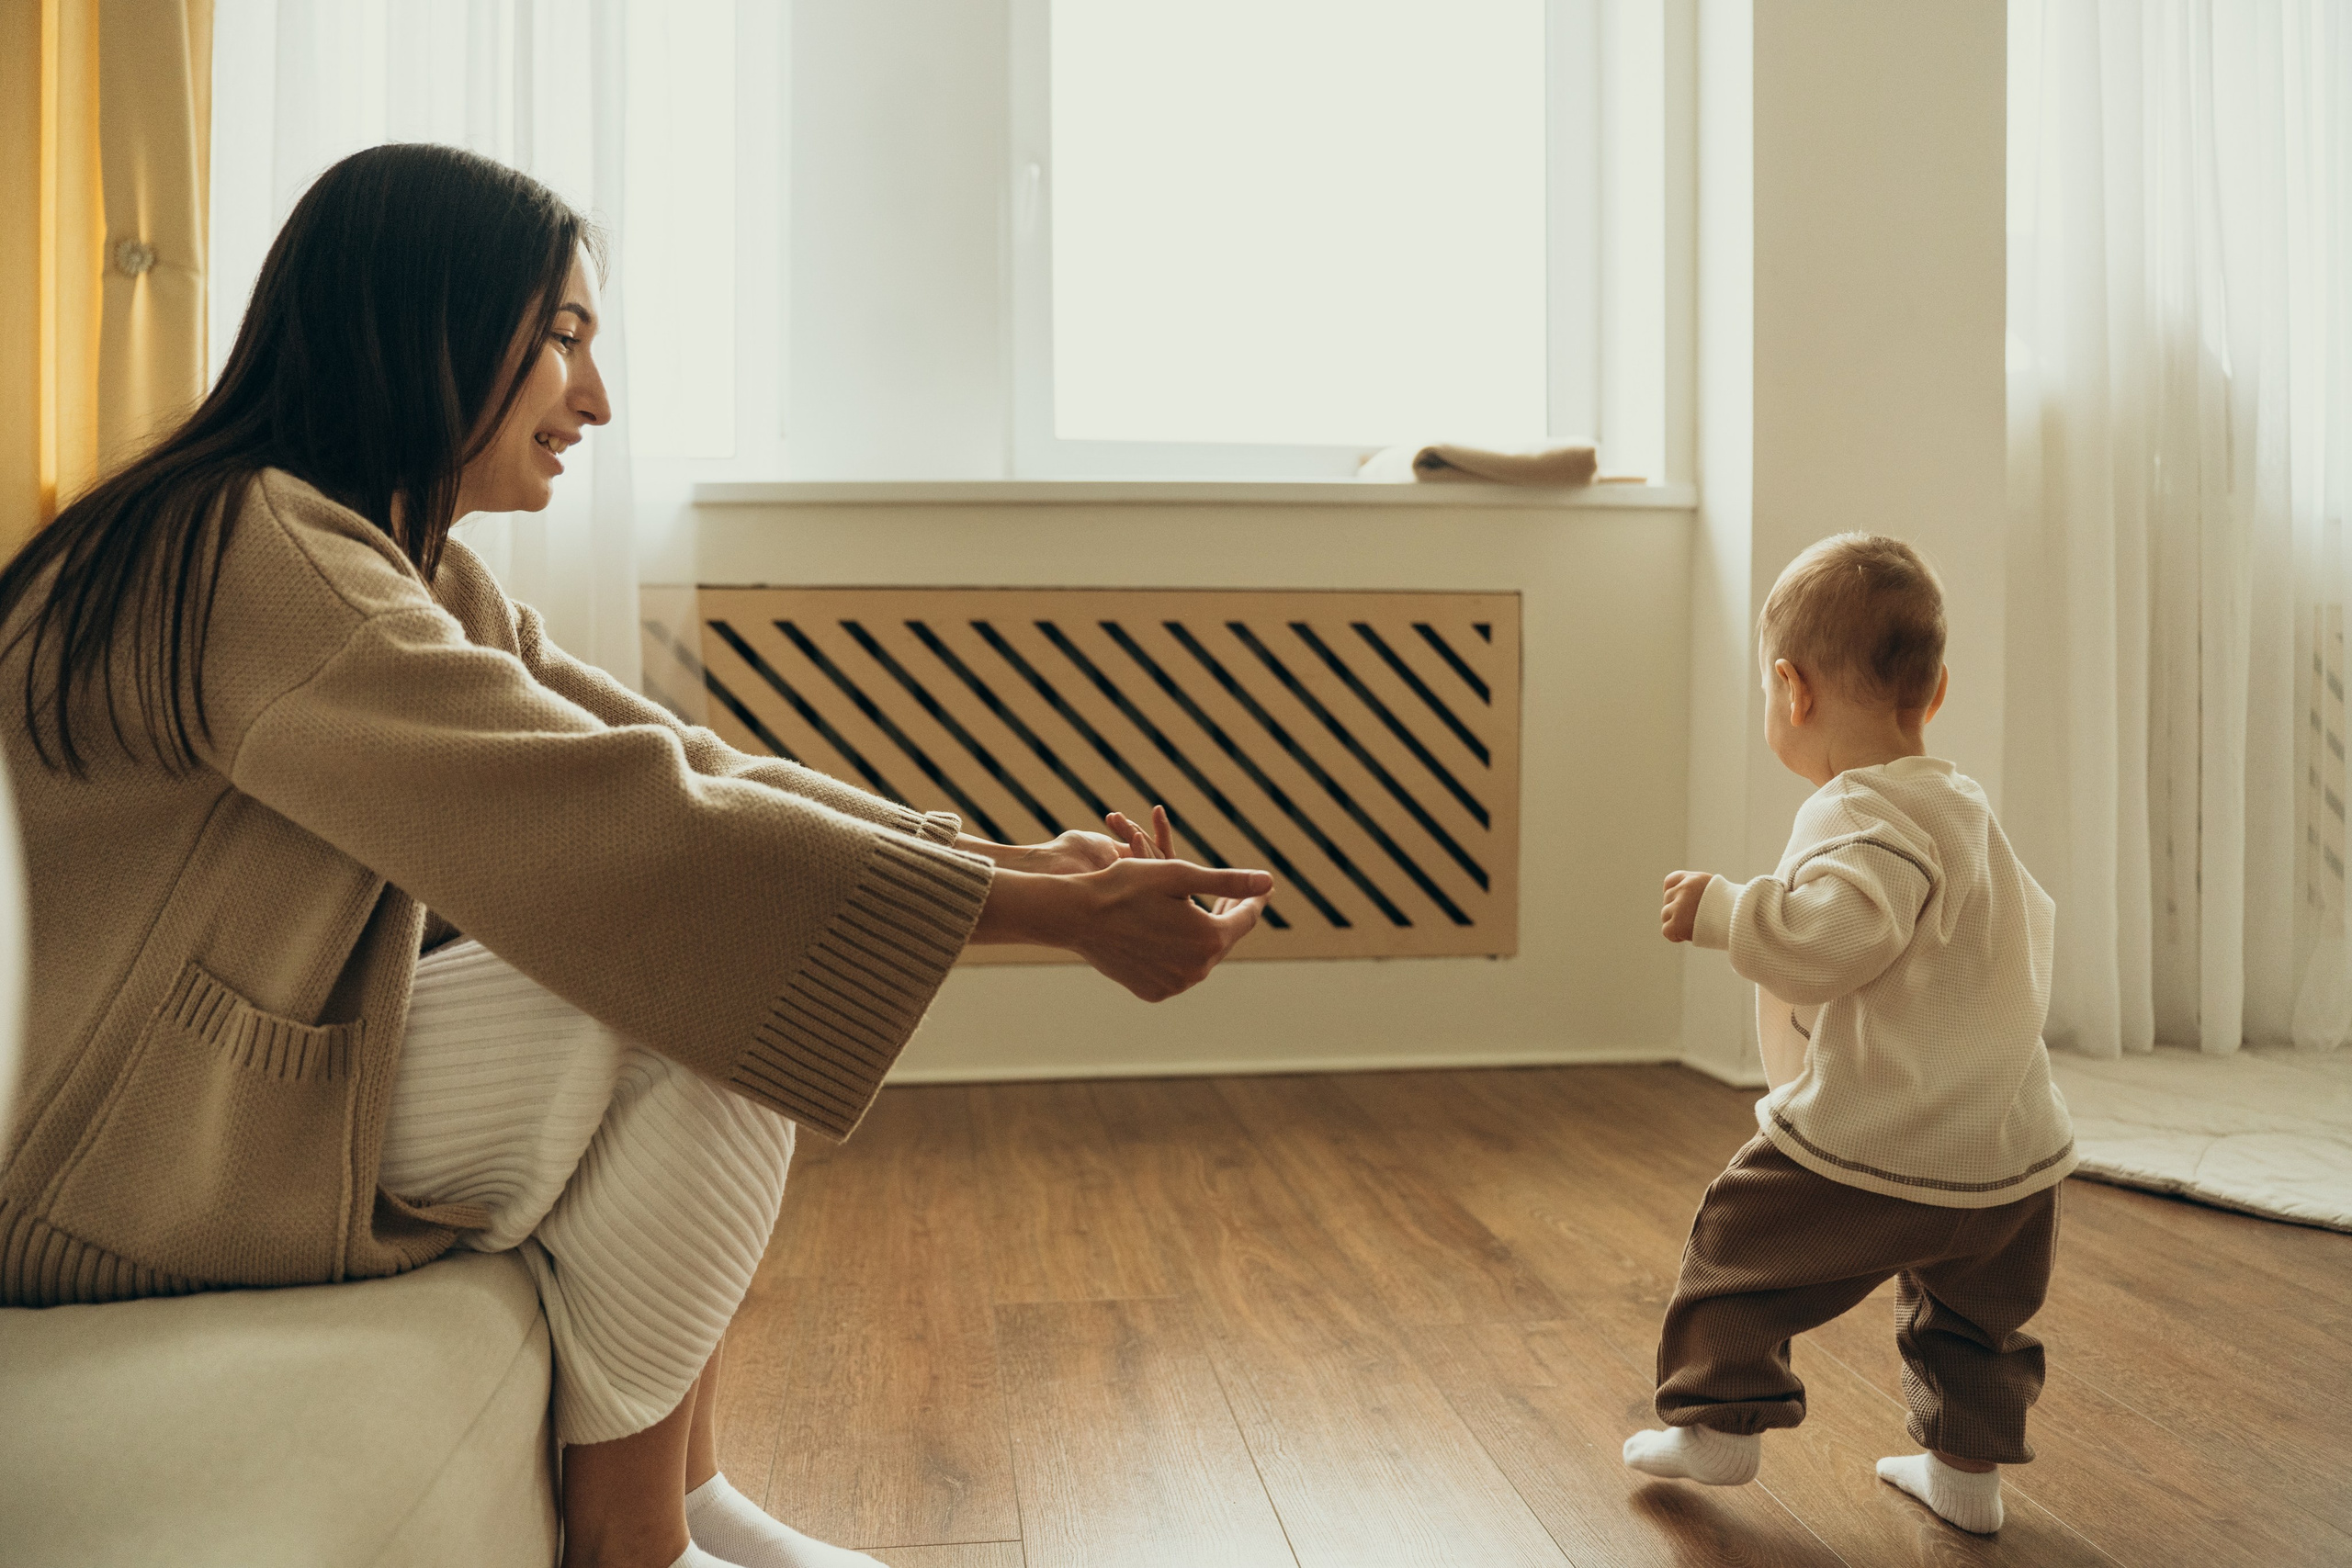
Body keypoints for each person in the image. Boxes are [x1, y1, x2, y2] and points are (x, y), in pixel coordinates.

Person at [0, 143, 1268, 1568]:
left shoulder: (399, 566)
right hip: (110, 1167)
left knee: (711, 966)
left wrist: (1010, 861)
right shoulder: (252, 553)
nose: (596, 400)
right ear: (428, 324)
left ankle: (689, 1505)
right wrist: (1050, 910)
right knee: (688, 988)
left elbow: (682, 760)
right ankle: (637, 1541)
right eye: (560, 340)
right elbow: (623, 820)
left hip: (203, 1111)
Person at [1622, 535, 2075, 1537]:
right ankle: (1964, 1473)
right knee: (1974, 1318)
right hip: (2008, 1154)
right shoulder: (1959, 804)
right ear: (1938, 690)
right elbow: (2023, 930)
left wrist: (1726, 910)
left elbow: (1833, 939)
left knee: (1736, 1243)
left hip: (1884, 1136)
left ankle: (1718, 1421)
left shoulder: (1857, 813)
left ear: (1790, 689)